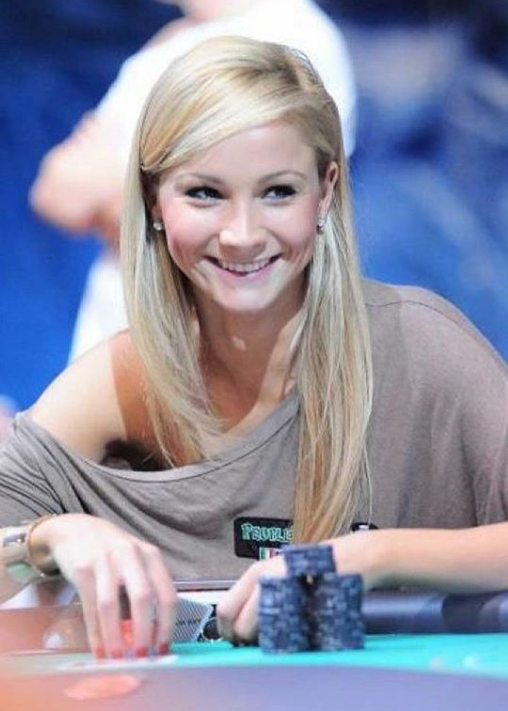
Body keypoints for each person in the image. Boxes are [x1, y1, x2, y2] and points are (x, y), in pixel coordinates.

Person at [1, 36, 508, 661]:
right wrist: (52, 538)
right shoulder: (124, 380)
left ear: (325, 192)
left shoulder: (422, 346)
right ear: (154, 199)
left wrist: (372, 555)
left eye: (277, 192)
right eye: (205, 193)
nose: (241, 235)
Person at [30, 0, 356, 359]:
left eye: (201, 192)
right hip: (114, 340)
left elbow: (252, 222)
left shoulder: (296, 35)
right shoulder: (172, 40)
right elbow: (56, 191)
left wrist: (128, 192)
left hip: (207, 358)